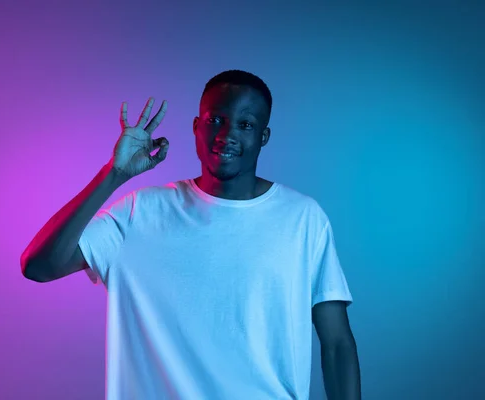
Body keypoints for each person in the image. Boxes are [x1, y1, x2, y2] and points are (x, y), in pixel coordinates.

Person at [20, 70, 361, 400]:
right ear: (196, 127)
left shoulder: (302, 218)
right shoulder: (141, 211)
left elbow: (336, 344)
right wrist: (113, 174)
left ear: (263, 137)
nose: (227, 134)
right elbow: (39, 265)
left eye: (245, 125)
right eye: (216, 120)